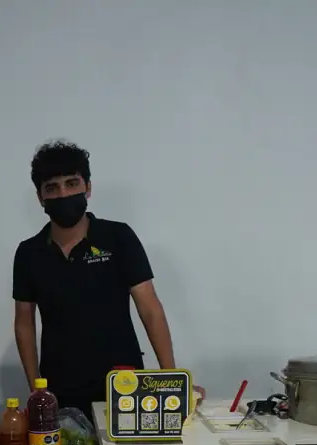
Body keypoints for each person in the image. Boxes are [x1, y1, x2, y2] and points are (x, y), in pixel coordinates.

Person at [12, 140, 193, 422]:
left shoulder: (118, 237)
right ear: (40, 197)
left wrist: (171, 382)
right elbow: (24, 322)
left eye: (72, 183)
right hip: (60, 388)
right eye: (52, 188)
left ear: (88, 187)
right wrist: (37, 390)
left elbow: (150, 308)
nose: (63, 194)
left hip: (123, 384)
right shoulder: (29, 253)